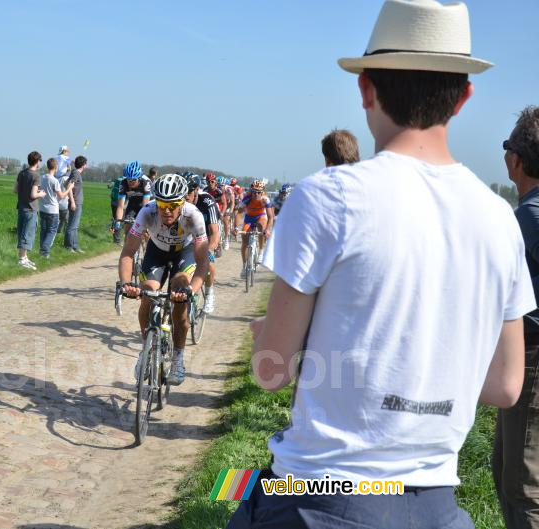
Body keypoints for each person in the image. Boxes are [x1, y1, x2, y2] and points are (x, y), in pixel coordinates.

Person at [228, 1, 534, 527]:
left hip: (319, 491)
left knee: (235, 491)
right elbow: (506, 386)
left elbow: (270, 370)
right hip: (437, 503)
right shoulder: (499, 217)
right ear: (463, 97)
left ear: (365, 88)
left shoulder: (326, 195)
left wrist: (283, 342)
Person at [493, 106, 539, 529]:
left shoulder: (527, 216)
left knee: (522, 485)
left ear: (516, 159)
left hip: (533, 357)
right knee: (506, 470)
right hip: (526, 356)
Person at [119, 174, 210, 385]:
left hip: (183, 252)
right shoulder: (148, 211)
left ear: (183, 202)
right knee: (148, 292)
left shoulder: (193, 215)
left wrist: (191, 291)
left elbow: (202, 261)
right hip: (156, 251)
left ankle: (178, 356)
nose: (166, 210)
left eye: (172, 205)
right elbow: (128, 252)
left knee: (180, 290)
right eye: (162, 204)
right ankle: (146, 350)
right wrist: (125, 284)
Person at [185, 174, 221, 314]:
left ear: (196, 190)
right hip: (190, 234)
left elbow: (214, 231)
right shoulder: (181, 201)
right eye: (184, 192)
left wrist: (210, 250)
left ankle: (209, 293)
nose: (186, 196)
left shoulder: (207, 201)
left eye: (189, 192)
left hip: (208, 232)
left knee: (208, 264)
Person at [14, 151, 46, 270]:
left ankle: (25, 257)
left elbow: (15, 189)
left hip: (21, 207)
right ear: (37, 162)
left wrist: (25, 193)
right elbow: (33, 195)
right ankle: (22, 259)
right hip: (31, 208)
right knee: (28, 234)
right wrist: (41, 194)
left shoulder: (22, 173)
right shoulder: (36, 176)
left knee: (22, 232)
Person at [236, 180, 273, 279]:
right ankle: (244, 266)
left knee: (261, 228)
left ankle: (261, 251)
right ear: (251, 191)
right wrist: (235, 227)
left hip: (261, 216)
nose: (256, 194)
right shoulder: (247, 198)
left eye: (259, 192)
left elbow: (270, 216)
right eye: (254, 191)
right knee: (244, 240)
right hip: (249, 218)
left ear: (262, 192)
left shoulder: (265, 199)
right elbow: (239, 214)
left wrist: (267, 229)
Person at [39, 157, 74, 258]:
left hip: (42, 208)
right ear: (56, 167)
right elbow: (62, 196)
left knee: (44, 231)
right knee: (52, 231)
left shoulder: (42, 177)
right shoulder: (54, 181)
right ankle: (44, 251)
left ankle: (42, 251)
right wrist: (69, 188)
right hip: (53, 210)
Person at [113, 161, 152, 242]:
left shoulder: (145, 182)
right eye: (129, 180)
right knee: (127, 229)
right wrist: (118, 222)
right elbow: (120, 207)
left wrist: (145, 223)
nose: (130, 183)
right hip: (133, 202)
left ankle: (148, 249)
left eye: (133, 180)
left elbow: (145, 207)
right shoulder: (123, 183)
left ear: (139, 178)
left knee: (146, 232)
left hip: (147, 203)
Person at [64, 155, 87, 253]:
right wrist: (72, 201)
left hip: (77, 202)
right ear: (83, 165)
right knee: (72, 226)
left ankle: (75, 246)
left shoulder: (75, 172)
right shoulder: (76, 173)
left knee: (74, 226)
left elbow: (66, 184)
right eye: (86, 163)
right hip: (76, 203)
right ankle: (69, 247)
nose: (86, 165)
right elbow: (69, 185)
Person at [108, 173, 123, 244]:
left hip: (113, 202)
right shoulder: (125, 181)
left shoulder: (117, 179)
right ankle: (117, 240)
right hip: (120, 204)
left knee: (115, 219)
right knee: (119, 221)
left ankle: (115, 238)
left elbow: (110, 186)